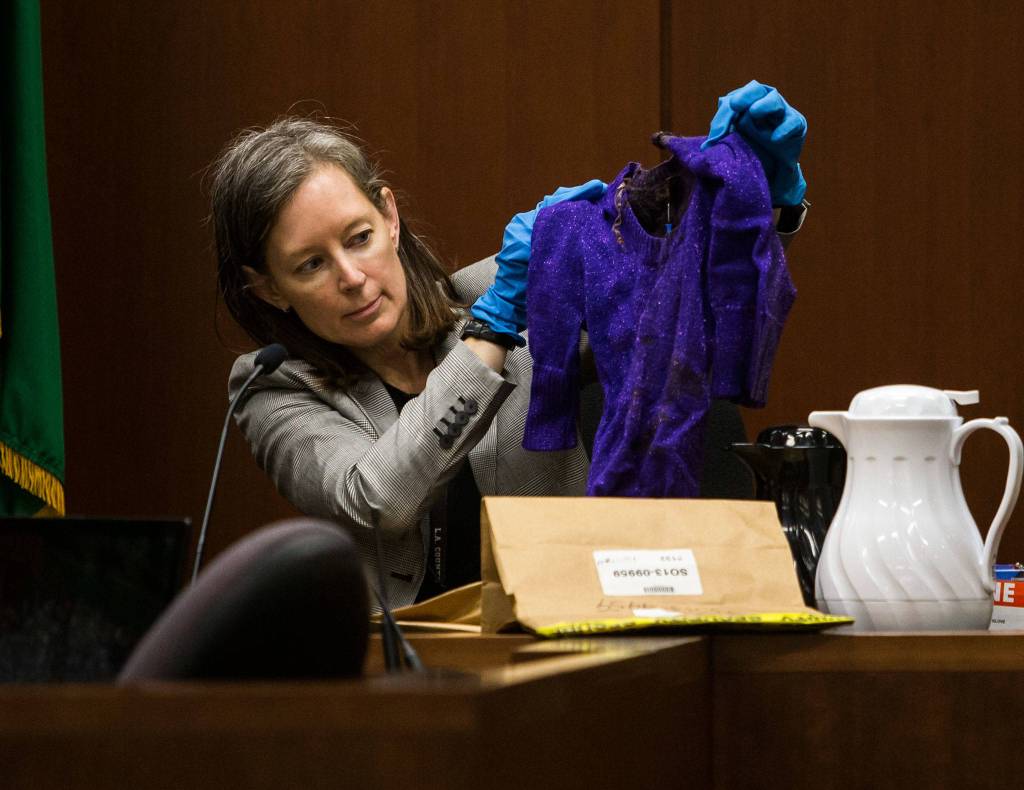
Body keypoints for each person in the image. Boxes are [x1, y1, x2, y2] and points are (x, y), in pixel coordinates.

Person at [211, 81, 809, 608]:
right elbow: (378, 500)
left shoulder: (504, 289)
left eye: (360, 236)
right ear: (269, 289)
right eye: (312, 264)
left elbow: (684, 312)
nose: (352, 276)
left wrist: (764, 203)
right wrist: (493, 330)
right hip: (406, 679)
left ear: (390, 217)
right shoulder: (272, 388)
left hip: (570, 639)